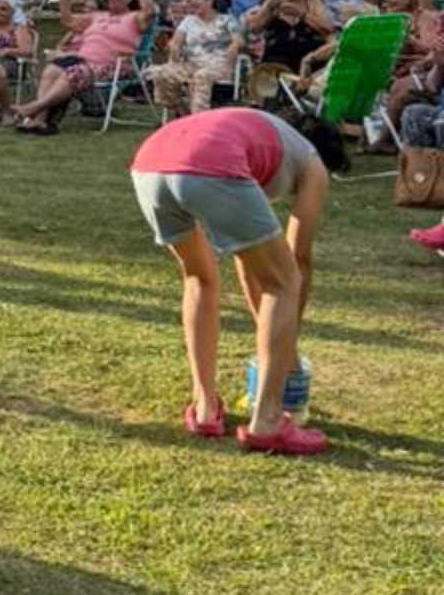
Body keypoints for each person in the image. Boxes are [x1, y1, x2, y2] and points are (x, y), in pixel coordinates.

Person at [129, 107, 344, 455]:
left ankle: (204, 409)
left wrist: (270, 325)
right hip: (208, 161)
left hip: (150, 162)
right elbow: (298, 257)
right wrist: (287, 344)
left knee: (199, 277)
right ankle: (268, 420)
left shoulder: (260, 137)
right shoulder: (312, 160)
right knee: (286, 280)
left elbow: (248, 260)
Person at [11, 0, 158, 134]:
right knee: (51, 70)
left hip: (113, 65)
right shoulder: (96, 16)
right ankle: (40, 120)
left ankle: (35, 107)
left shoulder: (135, 18)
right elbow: (67, 20)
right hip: (82, 61)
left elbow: (150, 12)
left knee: (74, 73)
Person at [148, 0, 243, 118]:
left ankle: (199, 118)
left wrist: (234, 46)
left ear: (209, 1)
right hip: (191, 64)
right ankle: (183, 113)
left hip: (217, 65)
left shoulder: (227, 20)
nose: (192, 2)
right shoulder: (189, 21)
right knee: (160, 74)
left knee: (201, 76)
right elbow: (176, 40)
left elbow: (239, 40)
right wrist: (175, 47)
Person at [243, 0, 335, 74]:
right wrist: (267, 10)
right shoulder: (272, 2)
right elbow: (254, 28)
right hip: (276, 60)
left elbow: (328, 28)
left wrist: (301, 14)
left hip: (308, 59)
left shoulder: (313, 3)